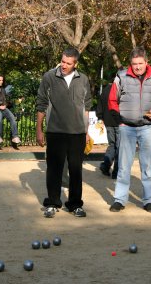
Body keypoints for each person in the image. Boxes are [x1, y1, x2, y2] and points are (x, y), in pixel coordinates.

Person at [108, 46, 151, 213]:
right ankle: (120, 199)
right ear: (130, 64)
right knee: (124, 166)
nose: (138, 67)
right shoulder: (121, 76)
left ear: (146, 62)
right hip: (127, 127)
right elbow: (113, 100)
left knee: (147, 166)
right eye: (134, 64)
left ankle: (148, 200)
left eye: (140, 63)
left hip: (148, 127)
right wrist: (121, 120)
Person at [36, 48, 92, 218]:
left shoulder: (83, 79)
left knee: (76, 170)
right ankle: (52, 203)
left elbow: (87, 106)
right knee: (54, 169)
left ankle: (75, 204)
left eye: (68, 63)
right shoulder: (49, 77)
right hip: (55, 131)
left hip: (77, 133)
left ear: (75, 64)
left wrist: (86, 131)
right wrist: (39, 129)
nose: (64, 65)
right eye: (63, 61)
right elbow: (41, 103)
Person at [96, 83, 120, 179]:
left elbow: (100, 105)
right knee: (120, 147)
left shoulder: (105, 90)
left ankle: (106, 166)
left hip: (108, 121)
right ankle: (116, 172)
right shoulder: (120, 89)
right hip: (119, 121)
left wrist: (100, 117)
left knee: (112, 145)